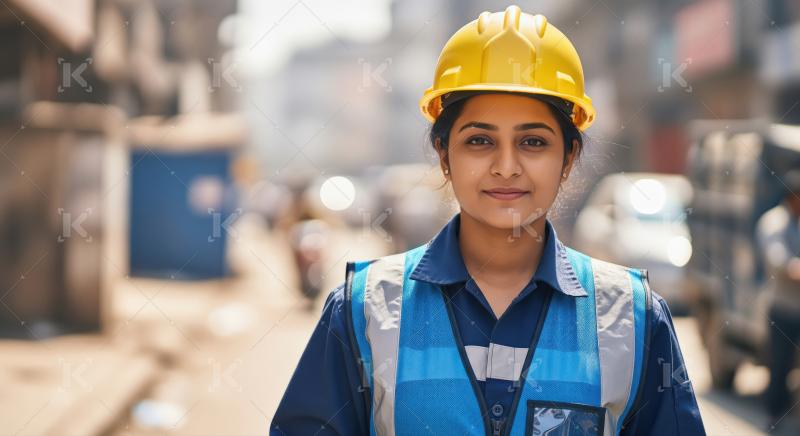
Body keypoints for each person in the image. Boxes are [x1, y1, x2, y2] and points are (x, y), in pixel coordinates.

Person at [271, 6, 706, 435]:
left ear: (568, 158)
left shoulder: (633, 317)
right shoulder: (364, 310)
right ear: (444, 155)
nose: (506, 166)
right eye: (479, 140)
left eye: (533, 142)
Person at [757, 169, 800, 433]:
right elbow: (777, 258)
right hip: (783, 308)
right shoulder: (774, 222)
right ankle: (774, 416)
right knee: (780, 364)